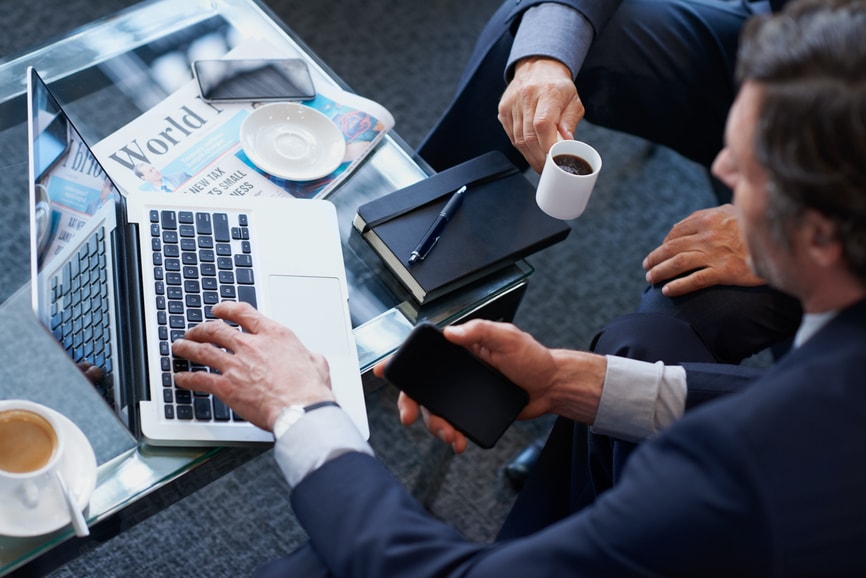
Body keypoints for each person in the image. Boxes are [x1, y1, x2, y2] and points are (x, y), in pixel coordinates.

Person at [172, 1, 866, 573]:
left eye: (743, 171)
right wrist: (572, 380)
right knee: (636, 346)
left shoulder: (729, 466)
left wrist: (301, 412)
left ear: (819, 233)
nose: (716, 171)